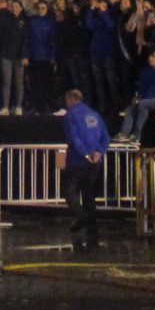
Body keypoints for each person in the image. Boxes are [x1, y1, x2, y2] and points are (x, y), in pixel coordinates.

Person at [61, 88, 108, 248]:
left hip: (77, 161)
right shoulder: (95, 115)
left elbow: (73, 138)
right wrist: (98, 153)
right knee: (88, 194)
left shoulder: (70, 115)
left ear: (71, 100)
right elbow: (105, 137)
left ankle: (81, 217)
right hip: (95, 162)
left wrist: (85, 154)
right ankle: (92, 227)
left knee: (70, 191)